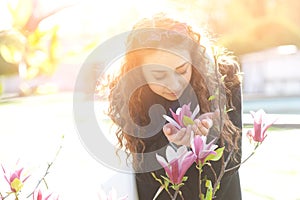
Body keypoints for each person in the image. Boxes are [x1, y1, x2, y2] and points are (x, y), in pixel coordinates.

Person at [106, 13, 242, 200]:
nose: (174, 85)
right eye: (160, 75)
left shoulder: (224, 78)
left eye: (182, 70)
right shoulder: (130, 96)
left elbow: (231, 164)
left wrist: (210, 137)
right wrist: (173, 146)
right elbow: (146, 177)